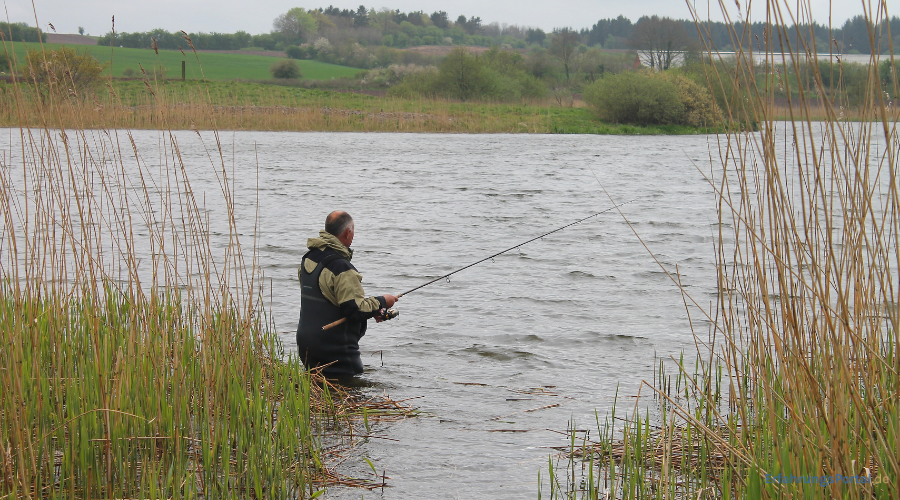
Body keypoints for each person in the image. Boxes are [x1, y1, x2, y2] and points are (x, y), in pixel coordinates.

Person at [296, 211, 399, 377]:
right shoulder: (341, 268)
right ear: (348, 232)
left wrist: (372, 310)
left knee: (319, 387)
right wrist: (382, 301)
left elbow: (329, 301)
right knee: (352, 387)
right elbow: (355, 310)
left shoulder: (308, 258)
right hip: (335, 350)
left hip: (307, 345)